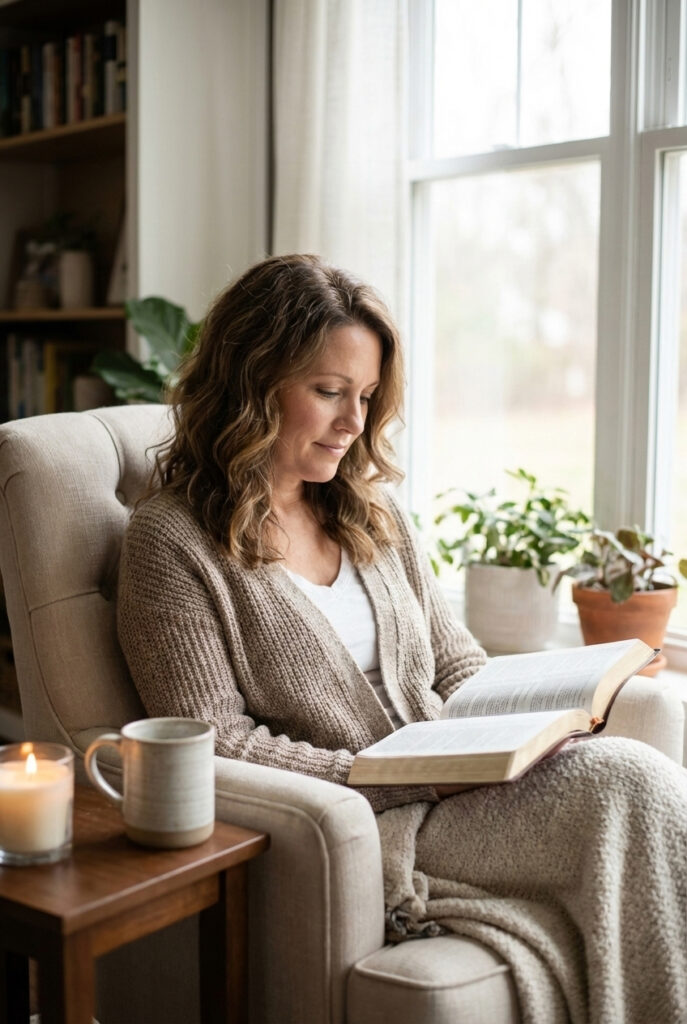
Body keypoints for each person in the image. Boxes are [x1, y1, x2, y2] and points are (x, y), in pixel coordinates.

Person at [117, 254, 687, 1024]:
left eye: (365, 396)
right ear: (251, 382)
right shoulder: (171, 543)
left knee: (628, 765)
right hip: (377, 817)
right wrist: (400, 777)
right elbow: (217, 742)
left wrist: (543, 710)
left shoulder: (369, 511)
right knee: (632, 783)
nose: (354, 424)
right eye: (327, 393)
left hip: (469, 779)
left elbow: (453, 664)